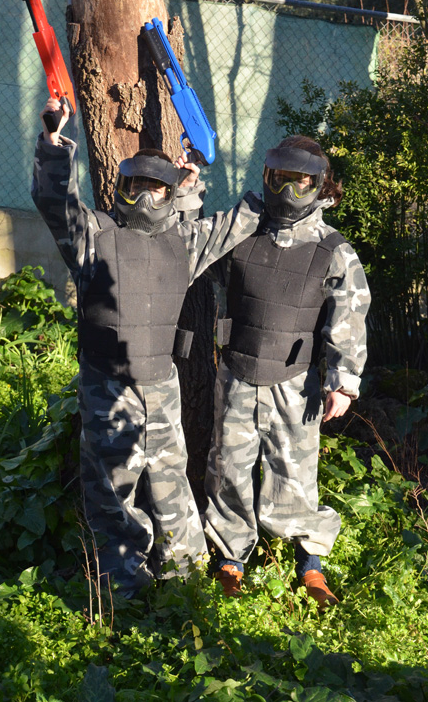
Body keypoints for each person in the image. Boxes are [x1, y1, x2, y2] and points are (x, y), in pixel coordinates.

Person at [31, 96, 264, 597]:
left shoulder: (185, 241)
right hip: (106, 386)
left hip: (161, 385)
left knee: (170, 482)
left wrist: (203, 170)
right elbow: (57, 205)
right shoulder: (95, 234)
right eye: (134, 185)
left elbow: (240, 221)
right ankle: (122, 586)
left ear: (168, 192)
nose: (143, 195)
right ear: (121, 187)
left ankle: (184, 584)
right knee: (112, 492)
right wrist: (52, 142)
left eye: (155, 187)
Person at [203, 134, 371, 606]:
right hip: (236, 372)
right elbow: (191, 256)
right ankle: (230, 558)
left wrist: (345, 382)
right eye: (281, 179)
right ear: (267, 177)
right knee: (229, 470)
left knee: (294, 474)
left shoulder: (333, 249)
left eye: (301, 182)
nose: (290, 191)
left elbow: (350, 315)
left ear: (320, 186)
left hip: (297, 385)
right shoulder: (239, 231)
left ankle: (310, 565)